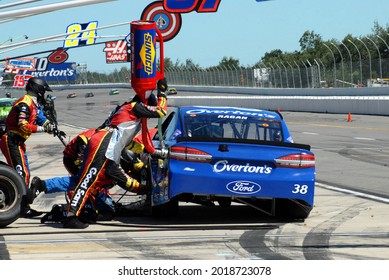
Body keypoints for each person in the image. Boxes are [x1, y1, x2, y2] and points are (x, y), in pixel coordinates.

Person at [63, 78, 168, 229]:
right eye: (148, 108)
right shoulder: (134, 107)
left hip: (107, 143)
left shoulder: (127, 112)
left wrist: (151, 151)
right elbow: (161, 111)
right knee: (88, 180)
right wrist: (162, 93)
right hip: (104, 142)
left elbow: (125, 142)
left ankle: (83, 211)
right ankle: (71, 216)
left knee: (93, 181)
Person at [0, 77, 56, 217]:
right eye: (43, 90)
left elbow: (41, 117)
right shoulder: (25, 103)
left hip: (18, 142)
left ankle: (22, 206)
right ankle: (21, 208)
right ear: (38, 89)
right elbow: (22, 125)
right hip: (11, 140)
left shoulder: (33, 103)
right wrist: (44, 129)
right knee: (21, 174)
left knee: (25, 174)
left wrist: (51, 126)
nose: (43, 93)